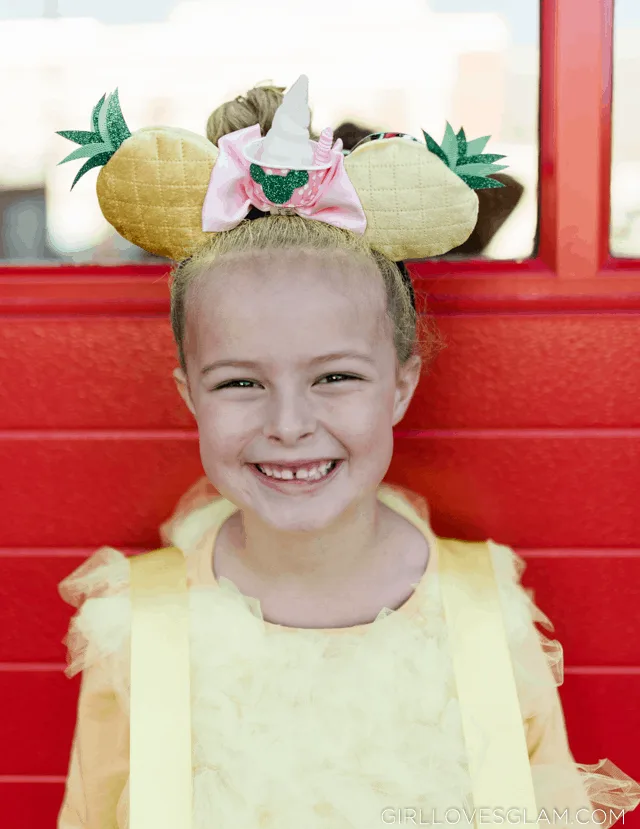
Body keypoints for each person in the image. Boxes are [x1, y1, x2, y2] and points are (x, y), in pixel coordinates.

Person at [55, 76, 640, 829]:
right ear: (188, 395)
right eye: (240, 381)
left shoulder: (483, 613)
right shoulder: (135, 626)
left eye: (334, 376)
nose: (290, 422)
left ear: (401, 385)